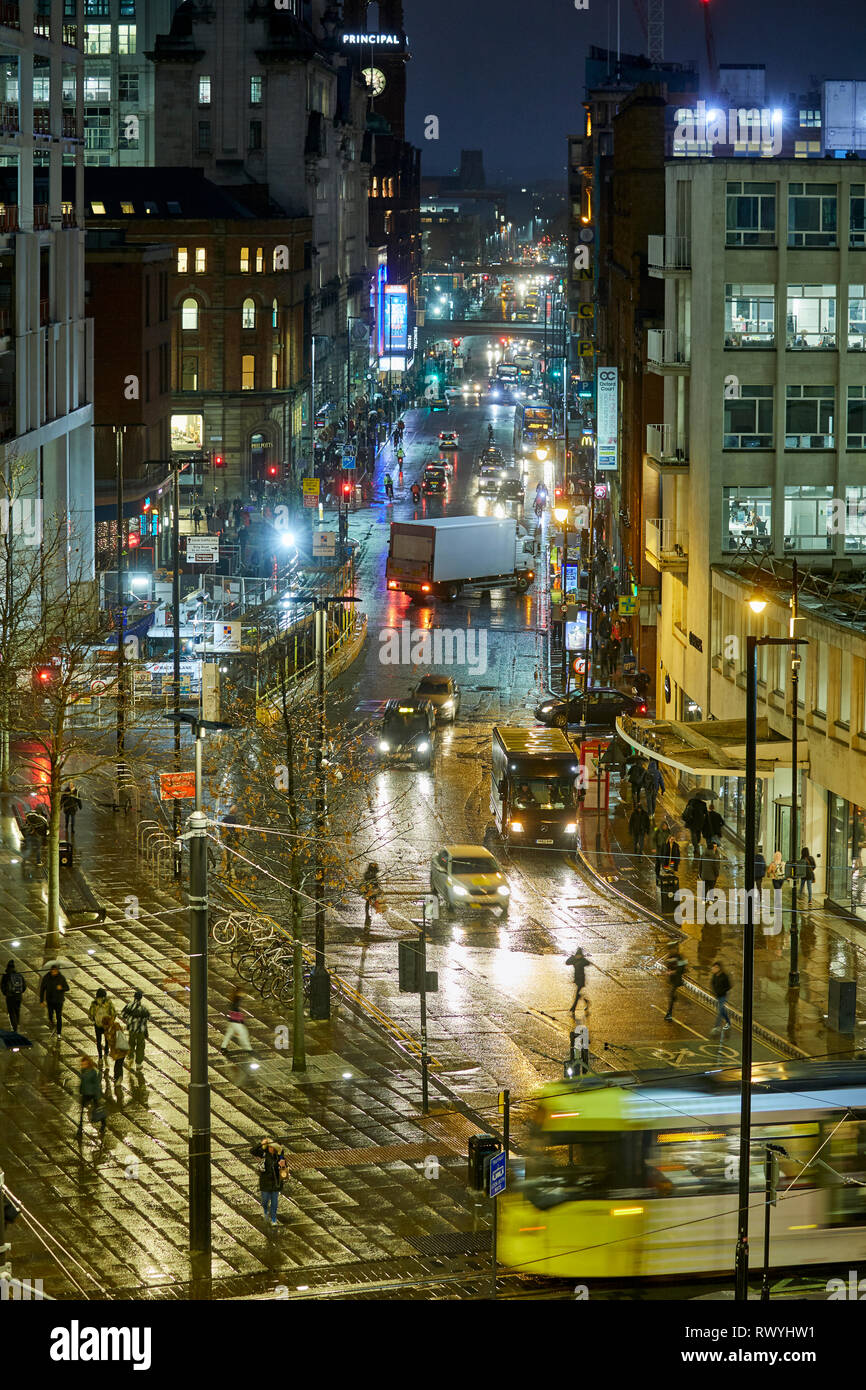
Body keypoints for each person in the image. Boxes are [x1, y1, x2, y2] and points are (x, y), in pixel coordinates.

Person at [250, 1137, 288, 1227]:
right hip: (265, 1182)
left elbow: (284, 1172)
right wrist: (261, 1144)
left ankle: (274, 1219)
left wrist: (283, 1166)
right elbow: (252, 1151)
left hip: (276, 1183)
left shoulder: (280, 1156)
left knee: (274, 1202)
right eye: (270, 1147)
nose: (272, 1149)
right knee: (265, 1201)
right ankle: (265, 1211)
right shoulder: (263, 1154)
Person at [77, 1056, 105, 1137]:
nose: (83, 1065)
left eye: (84, 1064)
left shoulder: (93, 1073)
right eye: (82, 1064)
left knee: (97, 1109)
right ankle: (80, 1125)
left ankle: (103, 1123)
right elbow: (83, 1082)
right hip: (85, 1093)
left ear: (88, 1064)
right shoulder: (83, 1071)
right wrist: (81, 1090)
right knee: (82, 1111)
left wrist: (97, 1096)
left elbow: (96, 1085)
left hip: (92, 1094)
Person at [121, 990, 150, 1069]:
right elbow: (146, 1019)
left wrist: (130, 1019)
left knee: (131, 1043)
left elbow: (123, 1014)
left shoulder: (129, 1006)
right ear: (141, 998)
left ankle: (130, 1056)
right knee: (140, 1047)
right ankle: (138, 1064)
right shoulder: (143, 1009)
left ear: (134, 997)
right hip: (141, 1031)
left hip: (132, 1030)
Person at [39, 963, 69, 1036]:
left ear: (57, 971)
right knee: (50, 1015)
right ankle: (52, 1024)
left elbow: (67, 988)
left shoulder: (61, 978)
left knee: (59, 1017)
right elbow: (42, 989)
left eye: (55, 971)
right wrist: (42, 1000)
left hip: (59, 1001)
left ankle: (59, 1033)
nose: (54, 972)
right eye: (53, 971)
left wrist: (61, 988)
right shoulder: (46, 978)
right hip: (50, 1001)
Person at [87, 987, 115, 1063]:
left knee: (98, 1041)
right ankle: (106, 1053)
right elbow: (113, 1013)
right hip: (106, 1025)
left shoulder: (94, 1003)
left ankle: (100, 1058)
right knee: (107, 1041)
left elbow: (90, 1014)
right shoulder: (108, 1003)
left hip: (98, 1025)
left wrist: (94, 1020)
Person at [220, 989, 253, 1054]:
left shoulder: (235, 999)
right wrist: (241, 1020)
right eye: (242, 992)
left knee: (229, 1034)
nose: (243, 994)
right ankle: (248, 1048)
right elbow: (235, 1011)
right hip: (236, 1021)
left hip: (232, 1020)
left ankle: (223, 1047)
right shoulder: (236, 1000)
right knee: (243, 1033)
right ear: (238, 993)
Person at [1, 959, 26, 1032]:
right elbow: (24, 987)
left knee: (11, 1012)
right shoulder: (19, 975)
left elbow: (2, 987)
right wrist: (19, 992)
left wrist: (6, 993)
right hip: (18, 997)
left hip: (10, 997)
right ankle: (17, 1024)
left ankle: (14, 1027)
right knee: (17, 1011)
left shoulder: (6, 976)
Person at [565, 947, 591, 1015]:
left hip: (581, 979)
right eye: (577, 955)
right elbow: (567, 963)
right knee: (578, 994)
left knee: (577, 994)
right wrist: (571, 957)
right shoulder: (574, 960)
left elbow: (588, 963)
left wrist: (583, 959)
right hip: (577, 979)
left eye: (579, 955)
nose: (578, 956)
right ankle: (586, 1001)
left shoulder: (583, 961)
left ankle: (573, 1008)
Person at [663, 950, 687, 1021]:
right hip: (672, 979)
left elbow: (681, 969)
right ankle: (674, 998)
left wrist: (673, 972)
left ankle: (669, 1014)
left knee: (671, 995)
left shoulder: (680, 957)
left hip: (677, 980)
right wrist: (668, 971)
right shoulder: (670, 956)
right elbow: (667, 964)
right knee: (671, 996)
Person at [710, 961, 732, 1034]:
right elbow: (712, 983)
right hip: (717, 995)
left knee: (720, 1011)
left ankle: (717, 1027)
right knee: (722, 1011)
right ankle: (728, 1022)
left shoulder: (724, 976)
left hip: (723, 996)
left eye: (714, 968)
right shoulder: (715, 975)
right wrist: (715, 991)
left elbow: (729, 986)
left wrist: (722, 991)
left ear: (718, 968)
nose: (712, 970)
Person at [106, 1015, 129, 1084]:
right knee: (118, 1064)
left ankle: (119, 1078)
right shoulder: (109, 1028)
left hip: (120, 1049)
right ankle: (117, 1077)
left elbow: (113, 1039)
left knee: (118, 1065)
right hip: (119, 1049)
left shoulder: (115, 1026)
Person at [361, 862, 382, 929]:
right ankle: (368, 913)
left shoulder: (368, 873)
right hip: (370, 889)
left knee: (368, 900)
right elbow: (375, 882)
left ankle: (368, 913)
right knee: (369, 900)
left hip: (369, 888)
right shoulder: (371, 874)